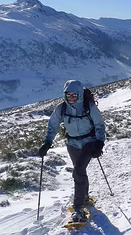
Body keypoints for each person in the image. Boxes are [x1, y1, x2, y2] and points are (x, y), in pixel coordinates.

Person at [38, 80, 106, 222]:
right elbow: (53, 125)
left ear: (80, 94)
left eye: (74, 95)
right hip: (72, 144)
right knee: (80, 172)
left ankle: (78, 209)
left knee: (78, 172)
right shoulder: (61, 108)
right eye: (68, 95)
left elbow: (99, 124)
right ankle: (85, 197)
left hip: (89, 143)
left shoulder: (89, 107)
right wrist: (47, 143)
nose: (71, 98)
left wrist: (99, 143)